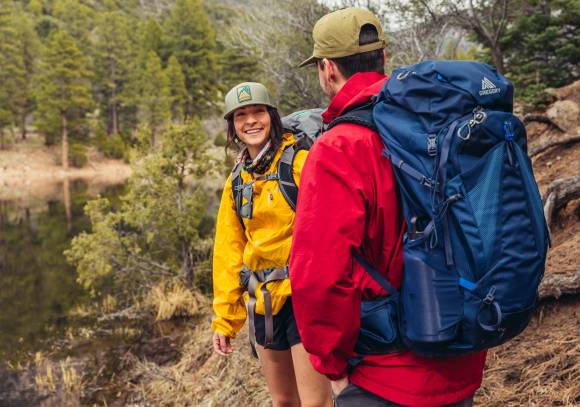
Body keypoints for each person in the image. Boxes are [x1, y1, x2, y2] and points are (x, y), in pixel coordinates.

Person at [290, 8, 487, 407]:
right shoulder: (443, 122)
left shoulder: (339, 147)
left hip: (383, 377)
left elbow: (319, 277)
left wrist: (333, 366)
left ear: (328, 69)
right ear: (383, 58)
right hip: (461, 354)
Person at [211, 81, 332, 407]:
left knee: (316, 403)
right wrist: (225, 320)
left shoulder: (300, 163)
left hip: (304, 298)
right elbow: (228, 250)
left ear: (272, 116)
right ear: (233, 126)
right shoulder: (237, 180)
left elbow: (332, 228)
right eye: (241, 115)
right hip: (263, 302)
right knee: (282, 401)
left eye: (258, 112)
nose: (251, 121)